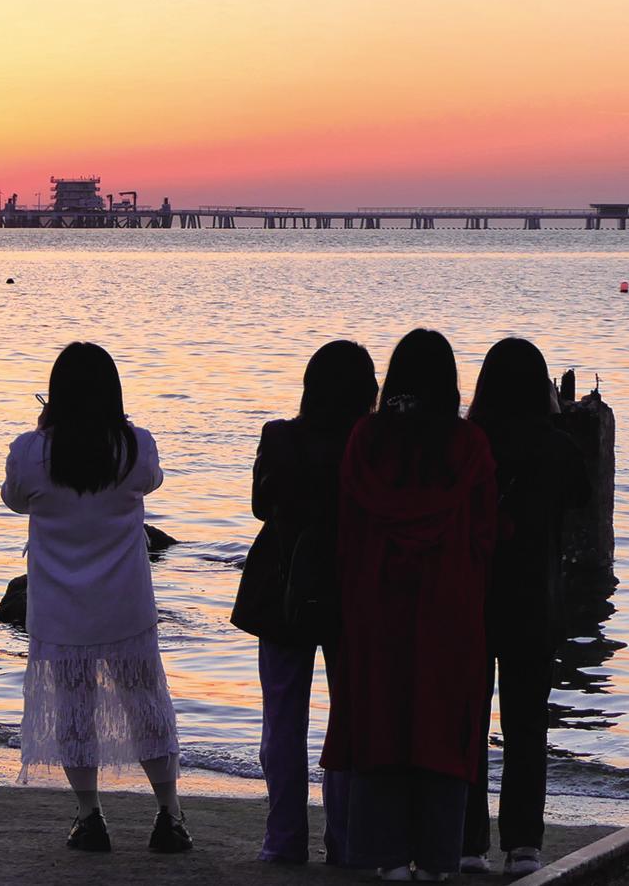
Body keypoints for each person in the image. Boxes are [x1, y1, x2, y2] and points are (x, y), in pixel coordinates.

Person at [321, 329, 498, 882]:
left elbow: (347, 530)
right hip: (451, 607)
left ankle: (387, 855)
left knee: (381, 724)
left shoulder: (366, 440)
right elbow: (485, 534)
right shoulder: (469, 446)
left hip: (377, 605)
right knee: (444, 729)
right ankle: (440, 859)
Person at [2, 342, 192, 855]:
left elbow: (14, 499)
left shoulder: (32, 452)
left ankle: (90, 817)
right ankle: (169, 815)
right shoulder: (135, 448)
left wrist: (43, 432)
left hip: (61, 608)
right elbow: (152, 482)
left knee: (75, 711)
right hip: (124, 602)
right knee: (147, 704)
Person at [231, 340, 378, 864]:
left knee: (283, 719)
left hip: (282, 587)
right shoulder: (370, 442)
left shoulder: (280, 436)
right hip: (352, 590)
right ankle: (344, 839)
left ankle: (283, 838)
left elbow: (258, 507)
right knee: (348, 722)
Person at [460, 338, 591, 877]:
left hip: (473, 598)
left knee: (467, 721)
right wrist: (558, 419)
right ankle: (523, 844)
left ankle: (467, 842)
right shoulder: (555, 446)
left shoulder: (470, 441)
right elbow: (582, 499)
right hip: (534, 601)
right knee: (527, 726)